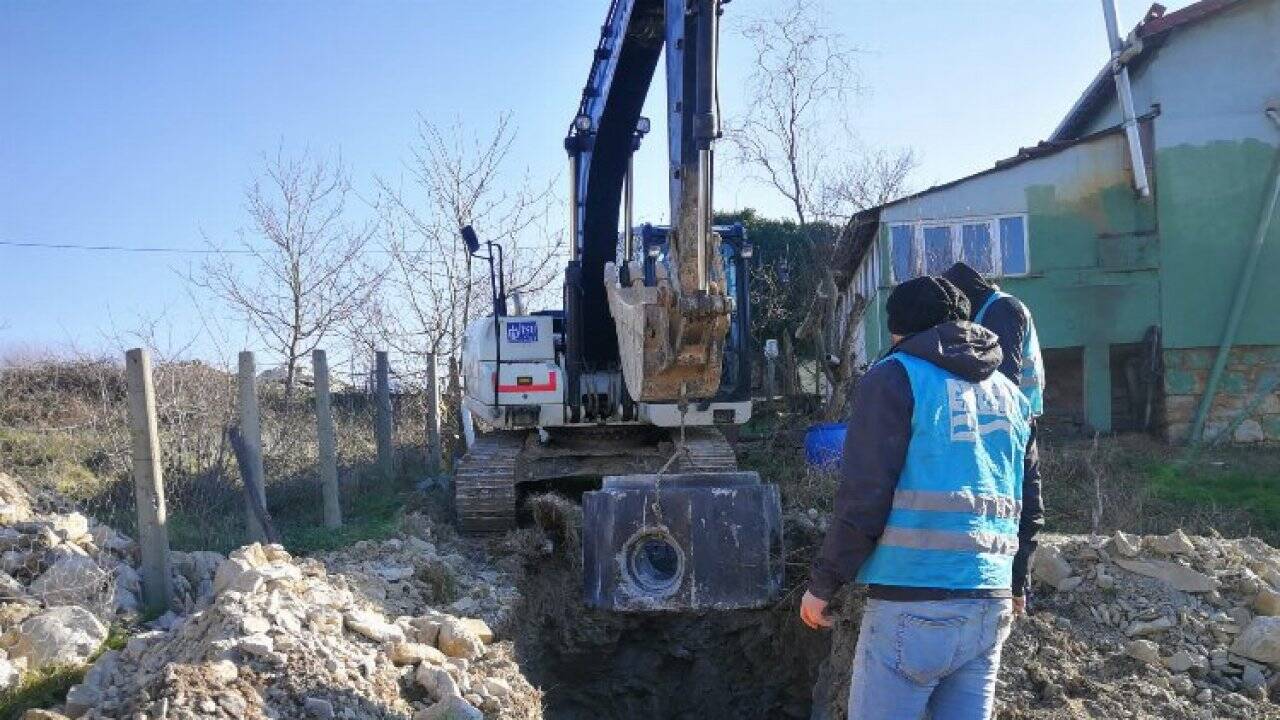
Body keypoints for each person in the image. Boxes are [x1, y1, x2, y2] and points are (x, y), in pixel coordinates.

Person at [799, 276, 1041, 720]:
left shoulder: (895, 377)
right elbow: (1030, 500)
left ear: (898, 331)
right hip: (991, 602)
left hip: (914, 604)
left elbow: (865, 496)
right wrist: (1018, 580)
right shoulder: (1010, 394)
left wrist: (823, 584)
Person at [942, 261, 1044, 416]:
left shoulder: (1001, 309)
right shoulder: (987, 309)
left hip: (1014, 413)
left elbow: (1005, 373)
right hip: (1008, 412)